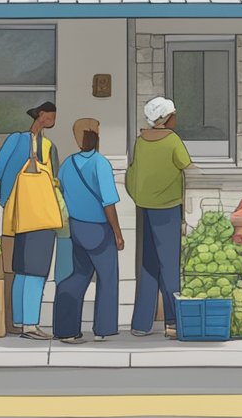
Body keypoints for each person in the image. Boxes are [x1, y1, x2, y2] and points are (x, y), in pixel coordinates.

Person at [0, 101, 61, 341]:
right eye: (50, 114)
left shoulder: (14, 140)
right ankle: (31, 325)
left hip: (15, 217)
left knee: (20, 270)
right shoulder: (48, 146)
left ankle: (20, 322)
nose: (53, 118)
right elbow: (55, 180)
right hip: (40, 216)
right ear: (41, 115)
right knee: (36, 271)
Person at [125, 96, 192, 340]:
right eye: (173, 114)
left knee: (148, 265)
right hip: (168, 209)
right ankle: (173, 322)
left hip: (144, 208)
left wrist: (139, 196)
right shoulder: (173, 141)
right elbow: (186, 165)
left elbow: (132, 174)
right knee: (170, 266)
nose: (176, 118)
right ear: (166, 118)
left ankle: (141, 323)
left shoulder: (140, 142)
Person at [53, 118, 125, 343]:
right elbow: (108, 203)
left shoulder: (68, 164)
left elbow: (62, 190)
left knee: (78, 275)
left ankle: (66, 329)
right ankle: (103, 329)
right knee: (107, 278)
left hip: (77, 228)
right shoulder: (100, 163)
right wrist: (118, 233)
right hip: (100, 230)